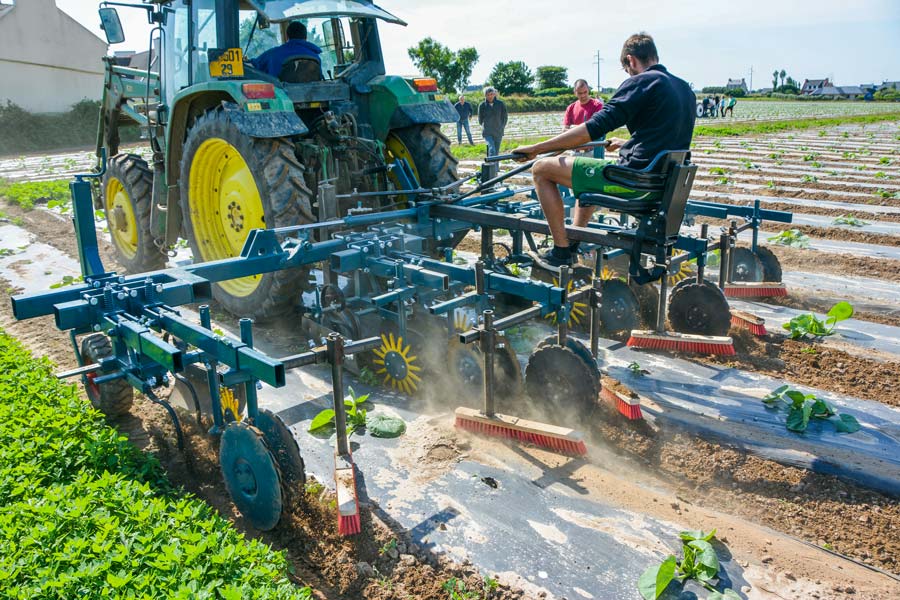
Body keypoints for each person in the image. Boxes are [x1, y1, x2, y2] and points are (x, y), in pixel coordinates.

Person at [511, 32, 696, 271]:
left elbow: (594, 127)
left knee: (541, 169)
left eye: (627, 69)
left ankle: (561, 252)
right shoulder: (684, 89)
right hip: (660, 185)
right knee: (585, 173)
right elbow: (663, 133)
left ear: (630, 61)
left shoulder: (643, 82)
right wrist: (629, 143)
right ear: (654, 56)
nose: (629, 74)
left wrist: (536, 149)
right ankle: (575, 239)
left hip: (633, 183)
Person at [251, 21, 322, 78]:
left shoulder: (272, 54)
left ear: (287, 36)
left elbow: (253, 66)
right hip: (310, 95)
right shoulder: (315, 57)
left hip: (280, 95)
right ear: (306, 37)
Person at [478, 87, 508, 157]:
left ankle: (494, 167)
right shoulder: (482, 105)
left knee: (496, 153)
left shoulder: (500, 104)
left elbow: (504, 117)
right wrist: (485, 126)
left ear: (494, 94)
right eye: (488, 95)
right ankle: (491, 166)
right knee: (492, 149)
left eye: (491, 94)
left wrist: (501, 127)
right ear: (485, 95)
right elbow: (480, 119)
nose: (490, 96)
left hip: (498, 131)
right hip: (487, 132)